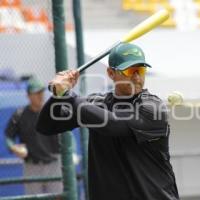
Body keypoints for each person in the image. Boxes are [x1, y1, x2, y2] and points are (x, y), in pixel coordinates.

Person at [36, 42, 179, 200]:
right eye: (130, 71)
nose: (137, 77)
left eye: (141, 70)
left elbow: (112, 124)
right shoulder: (96, 103)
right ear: (111, 73)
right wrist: (57, 96)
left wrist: (67, 95)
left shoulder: (152, 108)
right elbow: (46, 126)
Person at [5, 77, 63, 194]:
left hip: (54, 163)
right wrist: (13, 147)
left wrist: (70, 152)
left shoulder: (52, 111)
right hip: (32, 165)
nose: (40, 95)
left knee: (59, 197)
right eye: (36, 93)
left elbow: (67, 135)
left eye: (41, 92)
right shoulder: (20, 114)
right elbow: (8, 136)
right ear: (28, 96)